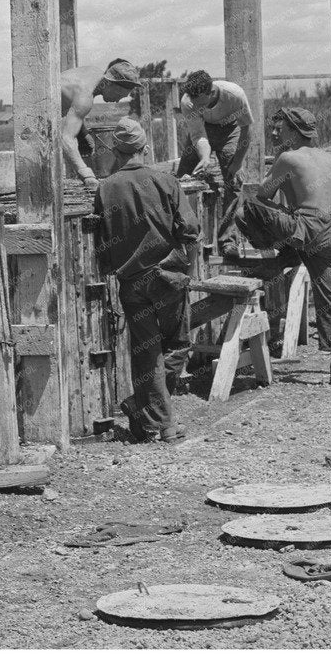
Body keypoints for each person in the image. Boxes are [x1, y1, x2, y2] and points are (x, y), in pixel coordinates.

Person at [94, 118, 202, 443]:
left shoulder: (105, 188)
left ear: (115, 151)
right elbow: (190, 230)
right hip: (168, 278)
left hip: (131, 283)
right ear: (146, 148)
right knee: (177, 346)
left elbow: (102, 244)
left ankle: (145, 412)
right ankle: (161, 421)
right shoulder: (166, 180)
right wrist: (186, 270)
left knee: (146, 353)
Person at [241, 107, 331, 385]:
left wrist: (277, 222)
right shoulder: (329, 159)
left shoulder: (288, 158)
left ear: (295, 132)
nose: (275, 133)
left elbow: (262, 195)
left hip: (305, 228)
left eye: (281, 128)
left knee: (247, 206)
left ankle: (283, 251)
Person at [174, 70, 255, 257]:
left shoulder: (234, 95)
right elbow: (198, 135)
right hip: (204, 129)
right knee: (182, 177)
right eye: (193, 101)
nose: (194, 105)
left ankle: (228, 242)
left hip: (231, 130)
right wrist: (205, 157)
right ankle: (181, 237)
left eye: (199, 101)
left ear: (211, 93)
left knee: (234, 181)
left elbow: (246, 129)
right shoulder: (188, 101)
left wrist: (237, 163)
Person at [60, 59, 141, 189]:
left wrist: (83, 133)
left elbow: (69, 105)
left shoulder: (95, 72)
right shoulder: (84, 97)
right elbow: (65, 138)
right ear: (110, 83)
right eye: (119, 95)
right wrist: (87, 175)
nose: (117, 100)